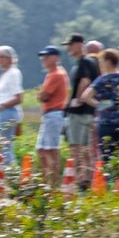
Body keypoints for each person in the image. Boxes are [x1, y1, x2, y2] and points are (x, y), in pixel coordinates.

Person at [63, 34, 99, 189]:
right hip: (89, 112)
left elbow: (85, 80)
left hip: (79, 113)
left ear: (79, 45)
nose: (68, 48)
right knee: (86, 149)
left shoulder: (84, 62)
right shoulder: (90, 62)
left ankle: (79, 181)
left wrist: (78, 98)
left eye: (71, 45)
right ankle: (88, 180)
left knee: (76, 147)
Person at [34, 46, 69, 188]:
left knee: (51, 150)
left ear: (56, 58)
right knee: (41, 149)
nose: (44, 60)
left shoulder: (56, 74)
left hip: (54, 113)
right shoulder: (53, 74)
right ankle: (46, 182)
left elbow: (43, 96)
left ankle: (54, 184)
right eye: (43, 57)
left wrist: (40, 95)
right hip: (49, 114)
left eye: (47, 56)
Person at [0, 46, 24, 172]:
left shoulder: (13, 73)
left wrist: (3, 105)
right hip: (3, 112)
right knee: (1, 145)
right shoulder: (6, 73)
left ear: (9, 58)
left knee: (4, 145)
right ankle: (5, 171)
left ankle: (10, 172)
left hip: (8, 111)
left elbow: (19, 97)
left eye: (1, 57)